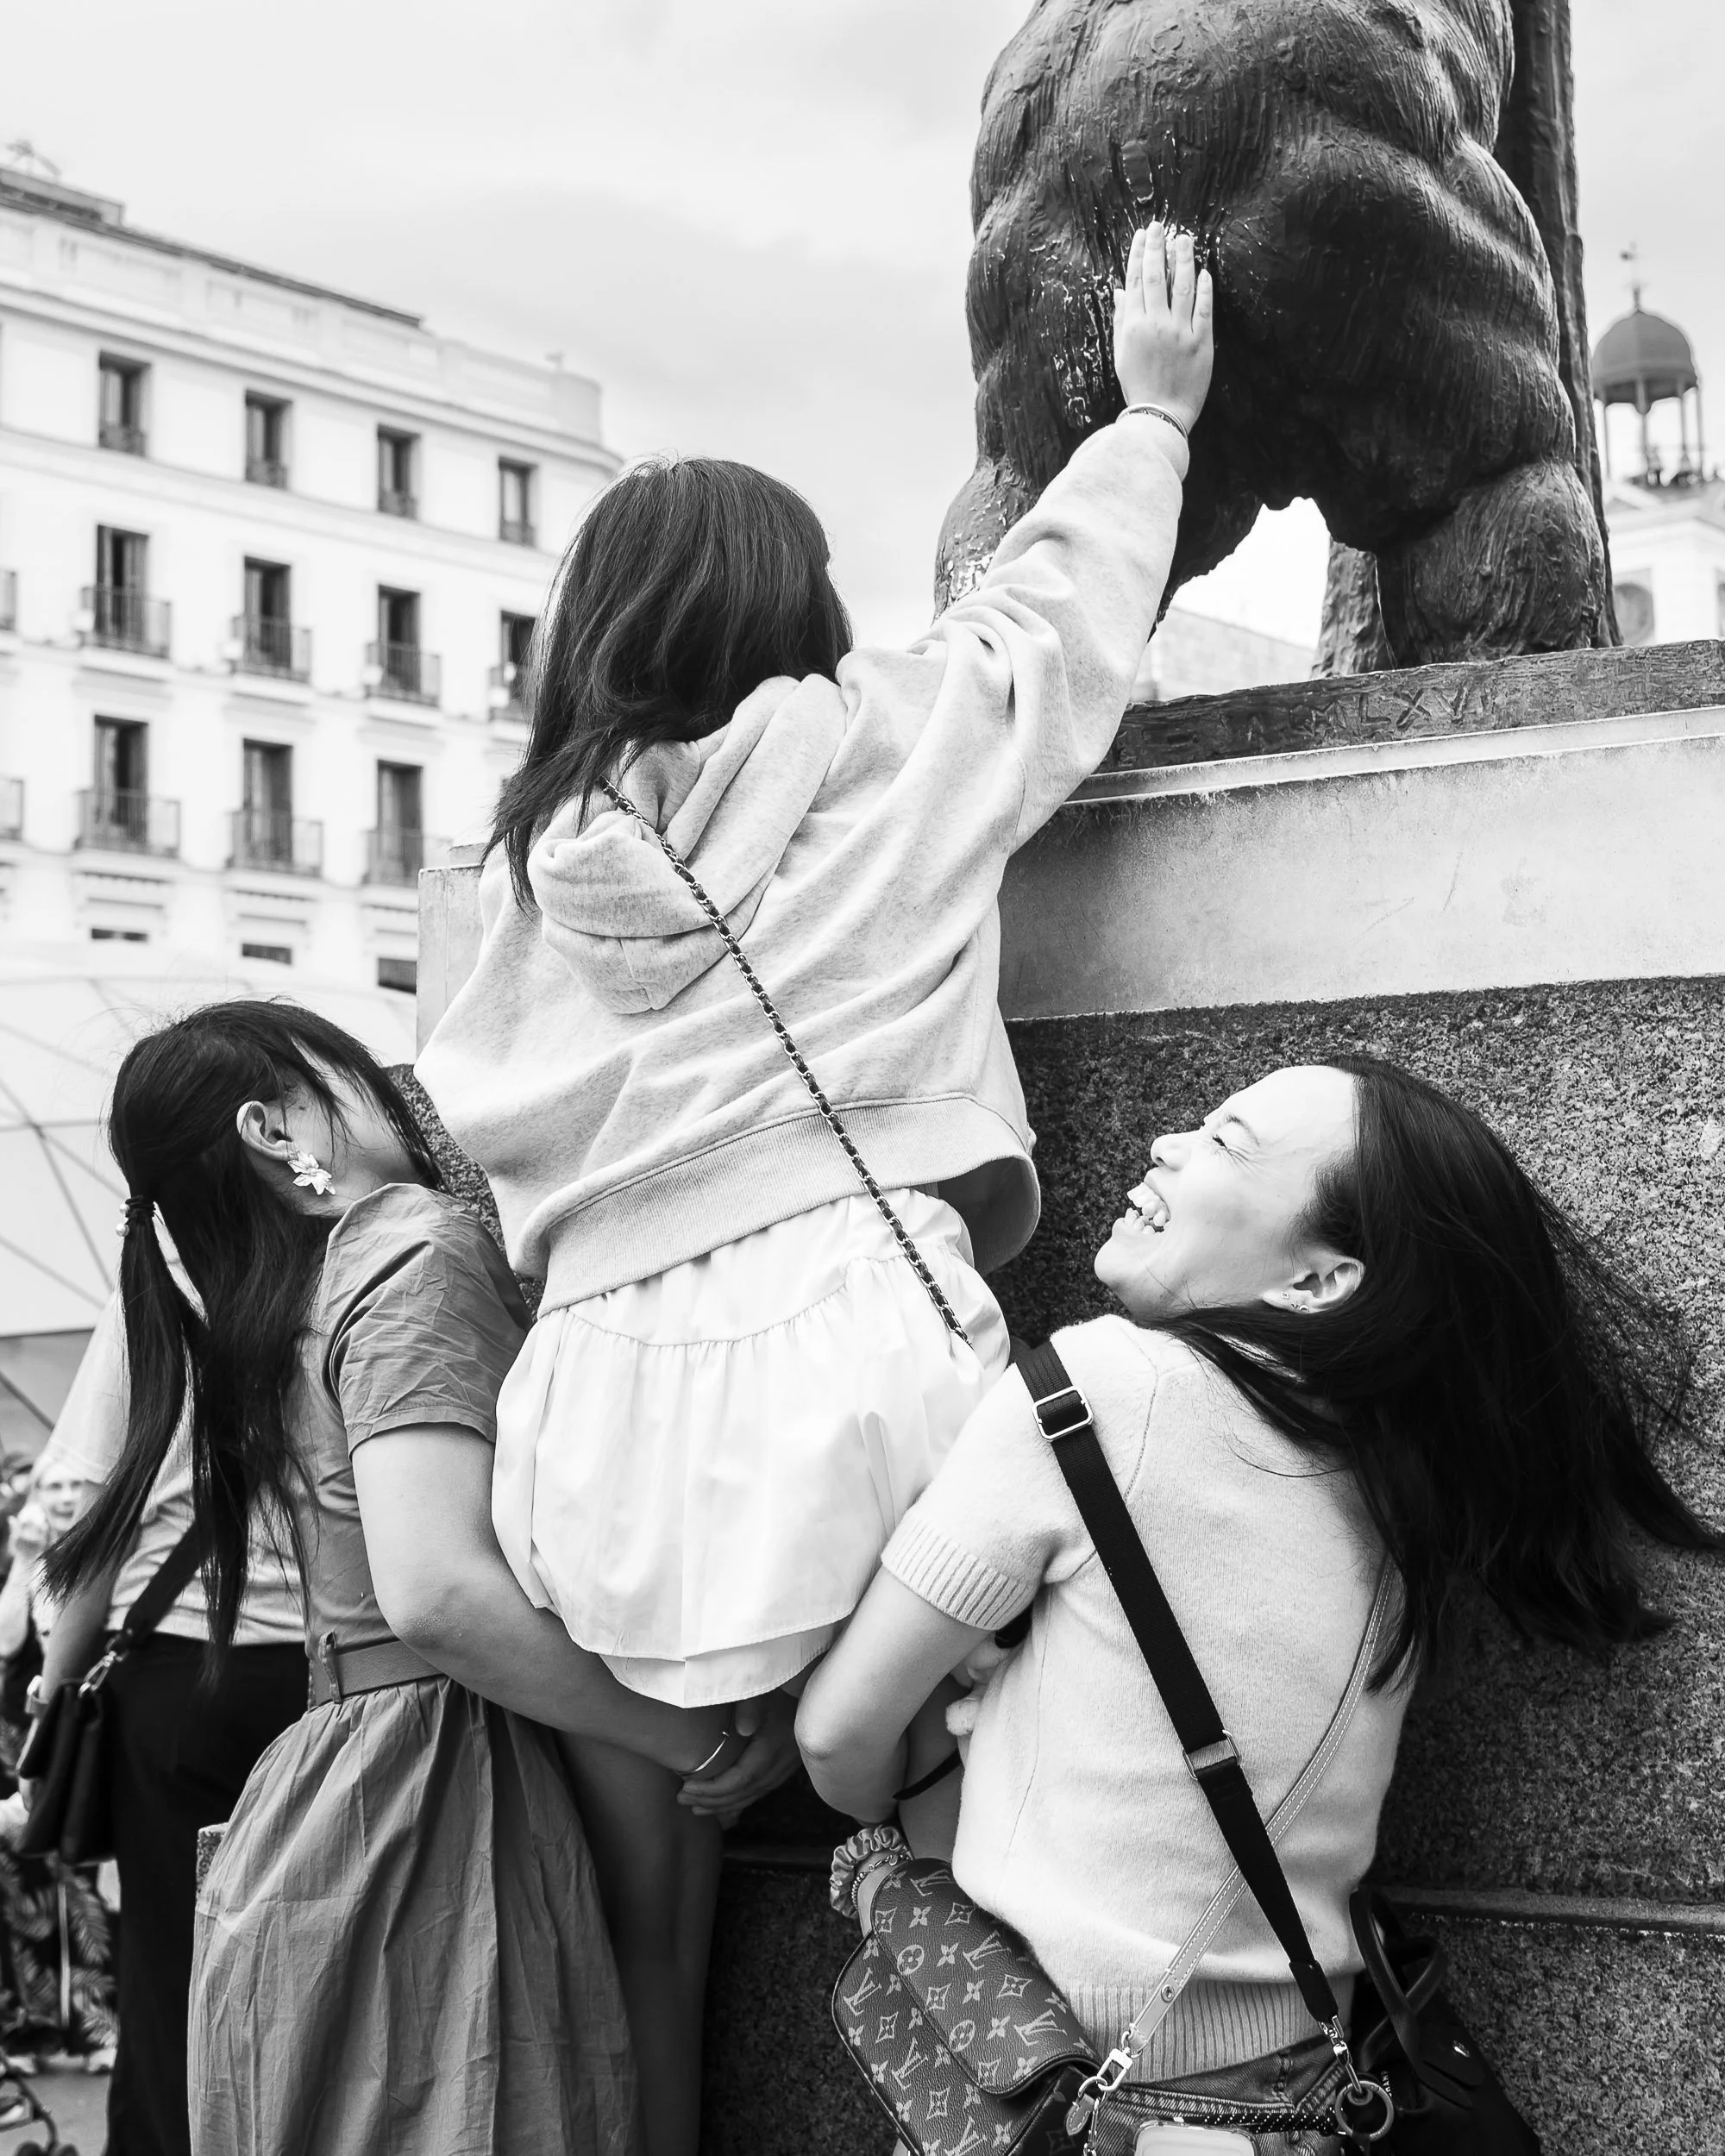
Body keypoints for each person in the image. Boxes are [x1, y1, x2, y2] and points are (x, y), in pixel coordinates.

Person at [417, 222, 1214, 2156]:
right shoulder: (881, 747)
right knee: (991, 1838)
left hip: (599, 1436)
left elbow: (467, 1120)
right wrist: (1156, 417)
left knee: (647, 1949)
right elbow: (1055, 624)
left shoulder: (519, 875)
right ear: (796, 607)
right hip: (854, 1385)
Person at [797, 1056, 1719, 2147]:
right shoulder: (1405, 1489)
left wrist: (921, 1801)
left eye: (1226, 1142)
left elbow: (833, 1731)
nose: (1166, 1144)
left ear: (1318, 1282)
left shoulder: (1097, 1396)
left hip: (1072, 2100)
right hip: (1303, 2098)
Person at [44, 1000, 781, 2156]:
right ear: (275, 1129)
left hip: (340, 1761)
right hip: (458, 1752)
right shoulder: (409, 1244)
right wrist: (697, 1744)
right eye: (344, 1075)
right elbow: (434, 1591)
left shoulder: (289, 1289)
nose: (392, 1089)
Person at [29, 1292, 307, 2156]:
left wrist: (56, 1685)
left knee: (172, 1980)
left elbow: (93, 1508)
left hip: (179, 1668)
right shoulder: (350, 1232)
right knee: (319, 1974)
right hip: (345, 1666)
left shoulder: (160, 1274)